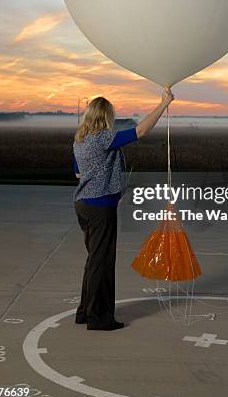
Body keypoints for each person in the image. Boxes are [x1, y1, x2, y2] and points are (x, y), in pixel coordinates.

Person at [73, 87, 174, 330]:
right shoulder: (103, 138)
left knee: (94, 260)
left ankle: (85, 311)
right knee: (103, 262)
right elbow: (141, 130)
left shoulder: (79, 141)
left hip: (83, 205)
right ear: (105, 116)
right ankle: (99, 318)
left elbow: (78, 173)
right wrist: (163, 103)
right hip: (100, 207)